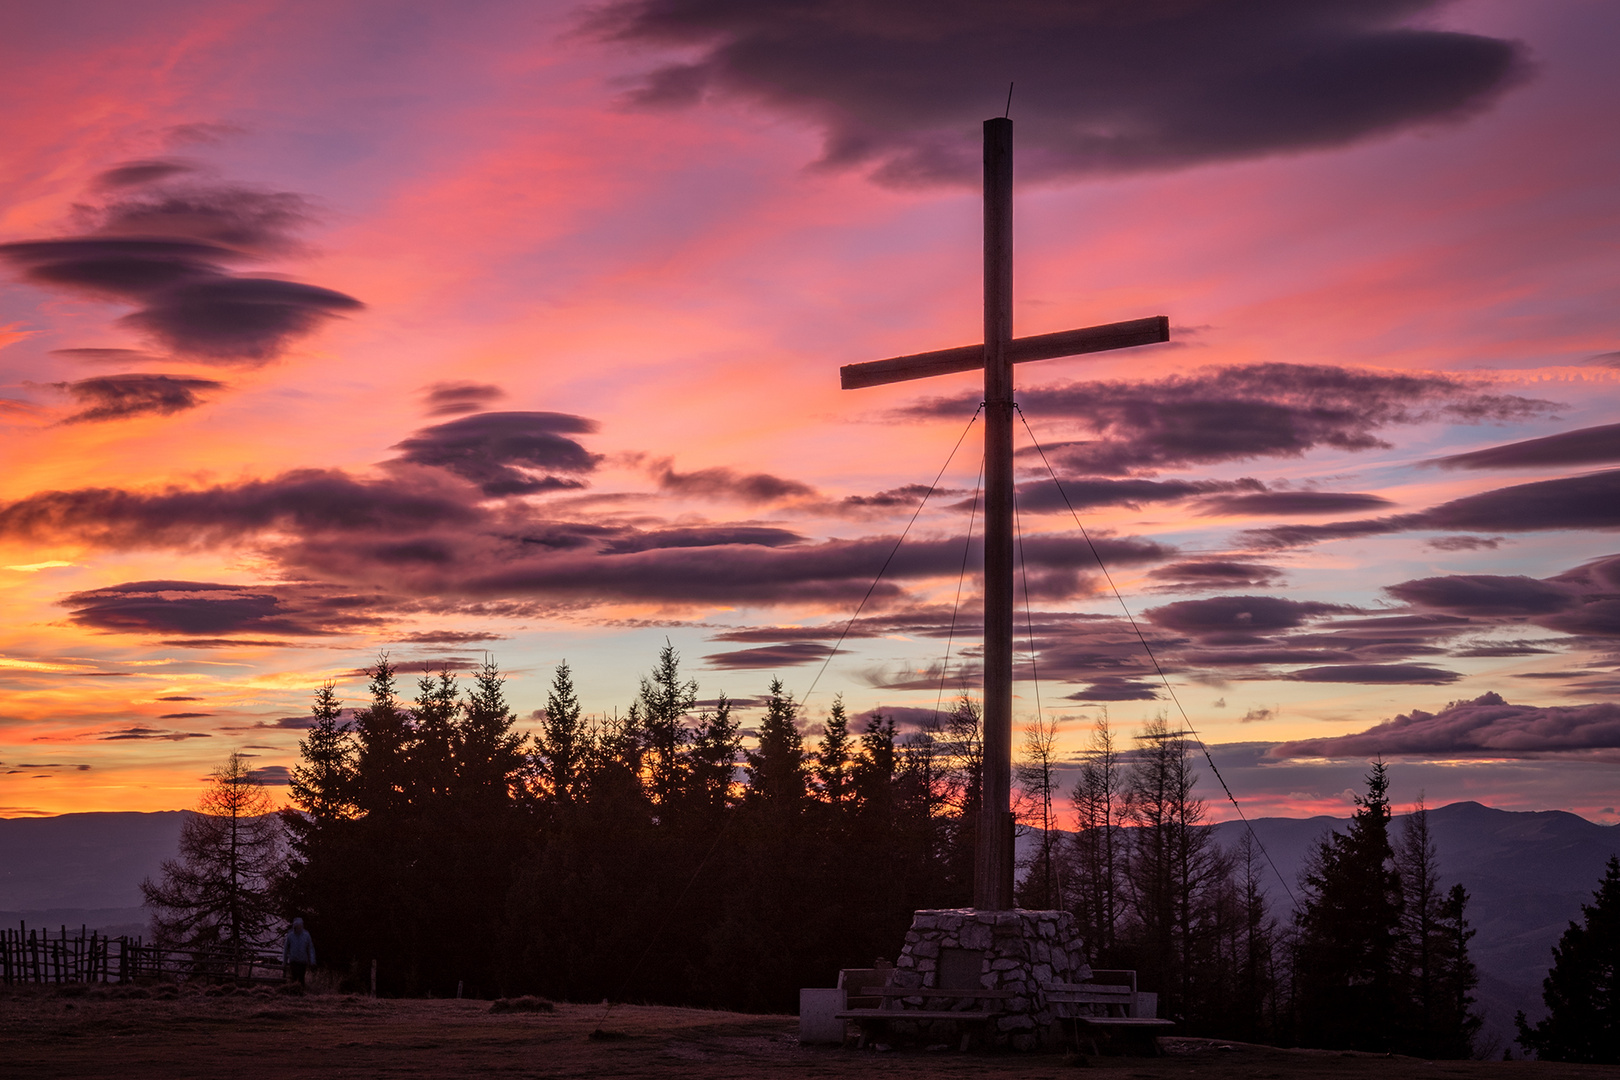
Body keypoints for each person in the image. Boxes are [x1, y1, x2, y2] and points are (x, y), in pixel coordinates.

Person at [283, 917, 316, 985]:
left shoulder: (306, 935)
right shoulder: (290, 935)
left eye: (299, 926)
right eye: (297, 926)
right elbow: (286, 949)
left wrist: (312, 961)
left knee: (301, 979)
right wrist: (284, 961)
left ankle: (301, 993)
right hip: (293, 960)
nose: (298, 927)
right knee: (294, 978)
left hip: (302, 961)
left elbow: (310, 949)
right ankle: (294, 992)